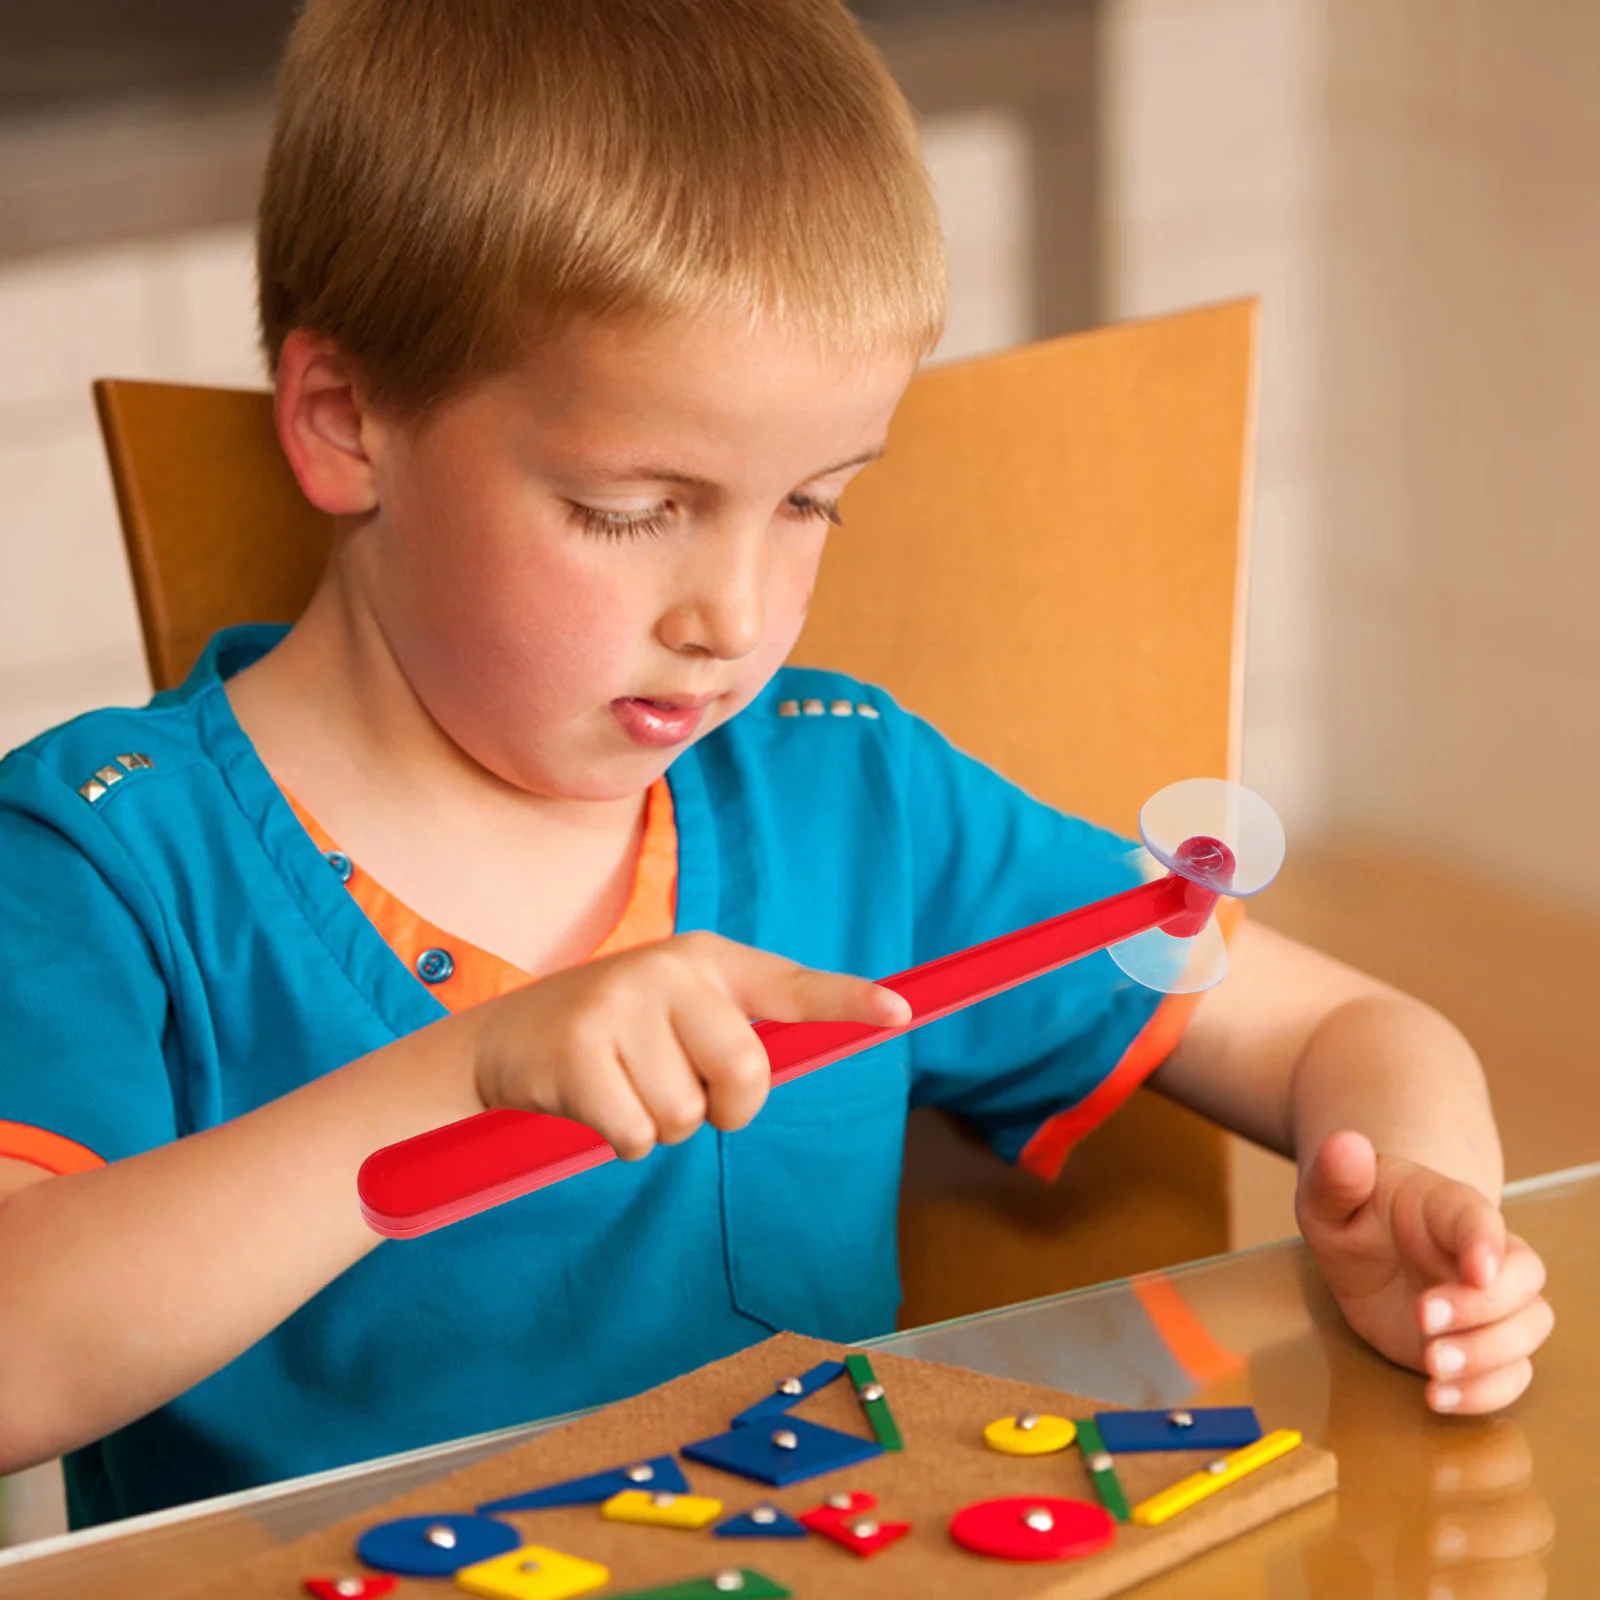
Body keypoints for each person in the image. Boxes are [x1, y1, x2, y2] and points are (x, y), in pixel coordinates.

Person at [0, 0, 1551, 1529]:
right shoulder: (108, 859)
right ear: (346, 424)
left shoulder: (846, 799)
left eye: (812, 502)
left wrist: (1423, 1211)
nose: (731, 620)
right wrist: (450, 1082)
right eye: (630, 508)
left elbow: (1341, 1022)